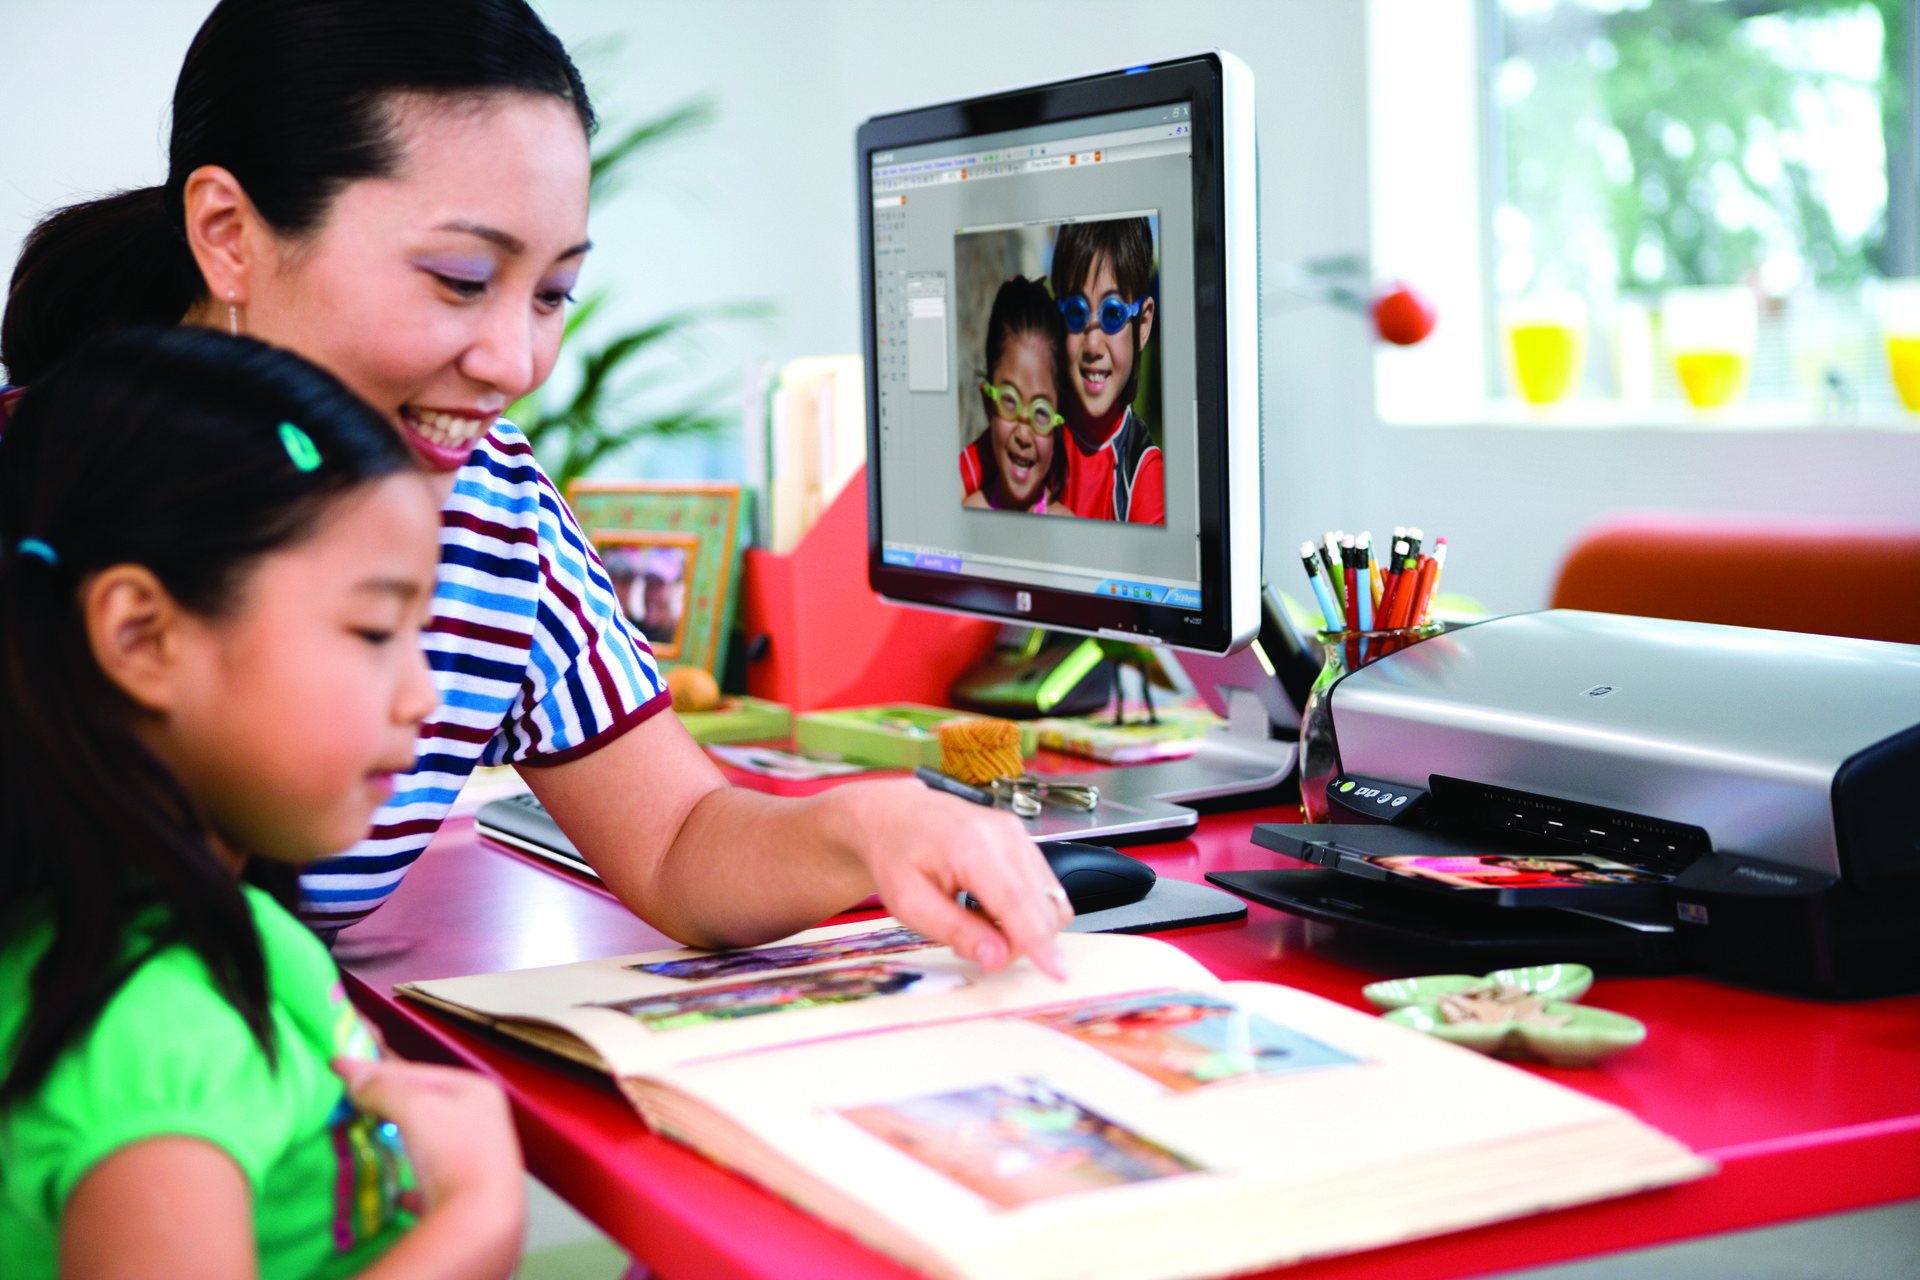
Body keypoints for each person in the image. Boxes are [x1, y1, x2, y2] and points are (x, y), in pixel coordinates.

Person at [0, 0, 1069, 978]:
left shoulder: (491, 508)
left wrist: (867, 827)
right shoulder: (36, 491)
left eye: (554, 292)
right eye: (460, 279)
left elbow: (677, 840)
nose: (515, 362)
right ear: (229, 235)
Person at [0, 327, 524, 1278]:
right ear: (142, 636)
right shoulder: (155, 1040)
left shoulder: (226, 925)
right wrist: (475, 1224)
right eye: (374, 630)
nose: (424, 695)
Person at [1047, 219, 1166, 525]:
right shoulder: (1033, 427)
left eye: (1113, 314)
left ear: (1143, 324)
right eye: (1077, 312)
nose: (1093, 345)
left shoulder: (1142, 477)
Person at [959, 276, 1074, 516]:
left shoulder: (1066, 527)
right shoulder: (970, 514)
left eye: (1041, 412)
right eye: (1010, 401)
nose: (1023, 435)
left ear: (1056, 426)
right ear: (988, 404)